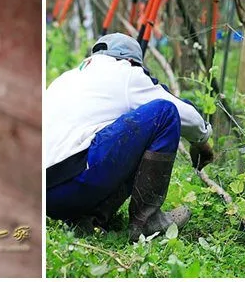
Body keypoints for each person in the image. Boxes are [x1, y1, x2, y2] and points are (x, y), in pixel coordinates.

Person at [45, 33, 214, 241]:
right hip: (76, 180)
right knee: (164, 113)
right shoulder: (126, 73)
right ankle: (147, 223)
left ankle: (87, 217)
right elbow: (187, 115)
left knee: (115, 135)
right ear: (132, 61)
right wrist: (202, 140)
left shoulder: (66, 79)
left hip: (44, 195)